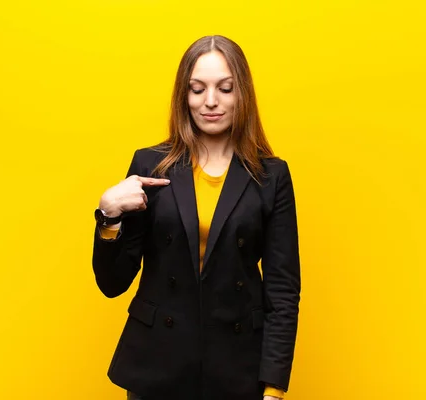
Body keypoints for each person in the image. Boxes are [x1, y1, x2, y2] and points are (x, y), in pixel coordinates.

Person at [92, 35, 301, 400]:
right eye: (197, 89)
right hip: (158, 364)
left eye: (225, 88)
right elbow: (113, 283)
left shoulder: (272, 176)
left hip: (238, 366)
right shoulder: (151, 166)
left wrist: (273, 387)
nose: (210, 102)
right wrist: (109, 215)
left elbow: (282, 291)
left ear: (243, 94)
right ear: (183, 96)